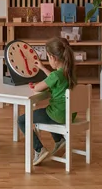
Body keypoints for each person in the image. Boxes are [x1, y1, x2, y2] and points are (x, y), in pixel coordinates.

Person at [18, 37, 77, 165]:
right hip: (69, 114)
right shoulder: (69, 73)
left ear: (53, 58)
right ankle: (60, 141)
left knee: (22, 120)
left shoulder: (55, 75)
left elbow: (37, 88)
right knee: (46, 114)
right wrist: (43, 68)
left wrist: (37, 85)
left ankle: (39, 150)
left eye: (48, 57)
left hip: (58, 115)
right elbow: (54, 78)